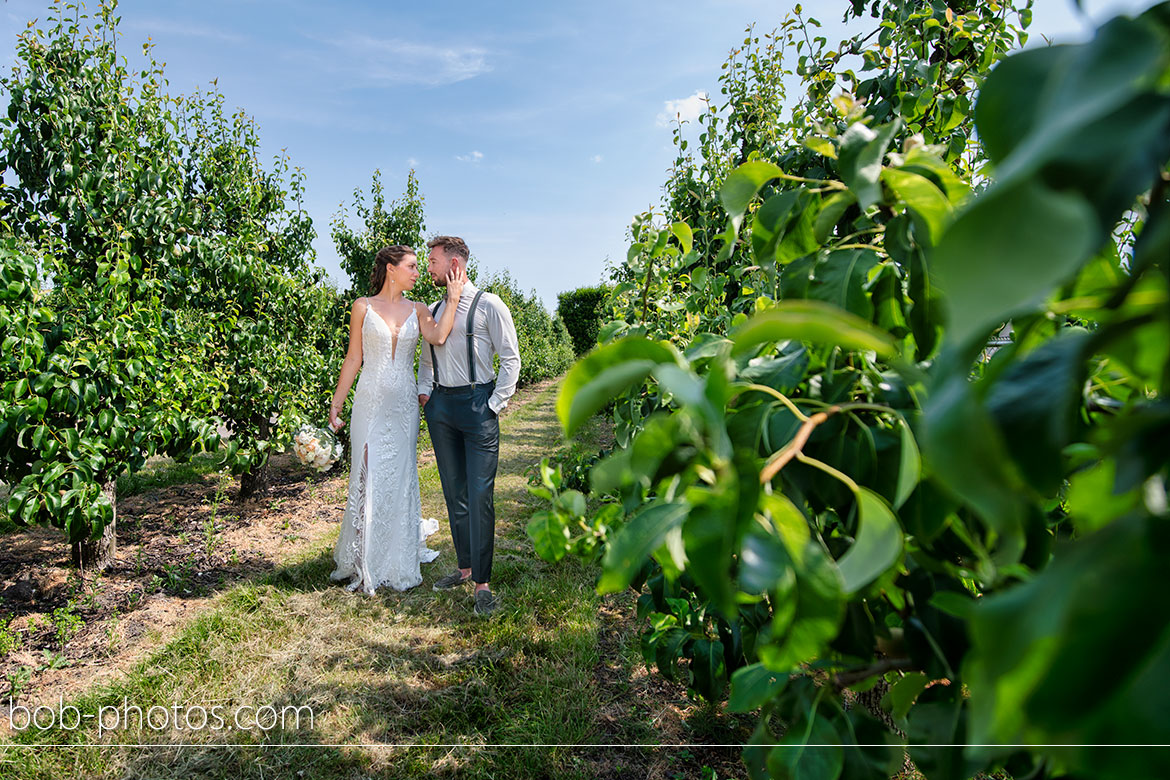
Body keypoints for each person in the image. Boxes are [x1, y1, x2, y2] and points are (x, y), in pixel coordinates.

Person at [328, 244, 466, 594]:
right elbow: (353, 358)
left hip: (404, 404)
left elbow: (438, 336)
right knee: (367, 473)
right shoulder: (362, 306)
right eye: (412, 266)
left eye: (420, 266)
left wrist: (452, 300)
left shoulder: (419, 309)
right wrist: (336, 403)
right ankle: (363, 558)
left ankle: (396, 557)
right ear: (391, 269)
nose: (418, 272)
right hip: (370, 402)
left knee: (400, 474)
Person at [418, 236, 520, 617]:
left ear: (455, 263)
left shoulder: (488, 304)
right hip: (442, 407)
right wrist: (426, 395)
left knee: (479, 495)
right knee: (454, 491)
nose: (428, 267)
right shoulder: (432, 308)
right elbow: (427, 362)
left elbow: (511, 358)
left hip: (478, 404)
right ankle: (463, 569)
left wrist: (495, 403)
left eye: (433, 260)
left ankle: (483, 583)